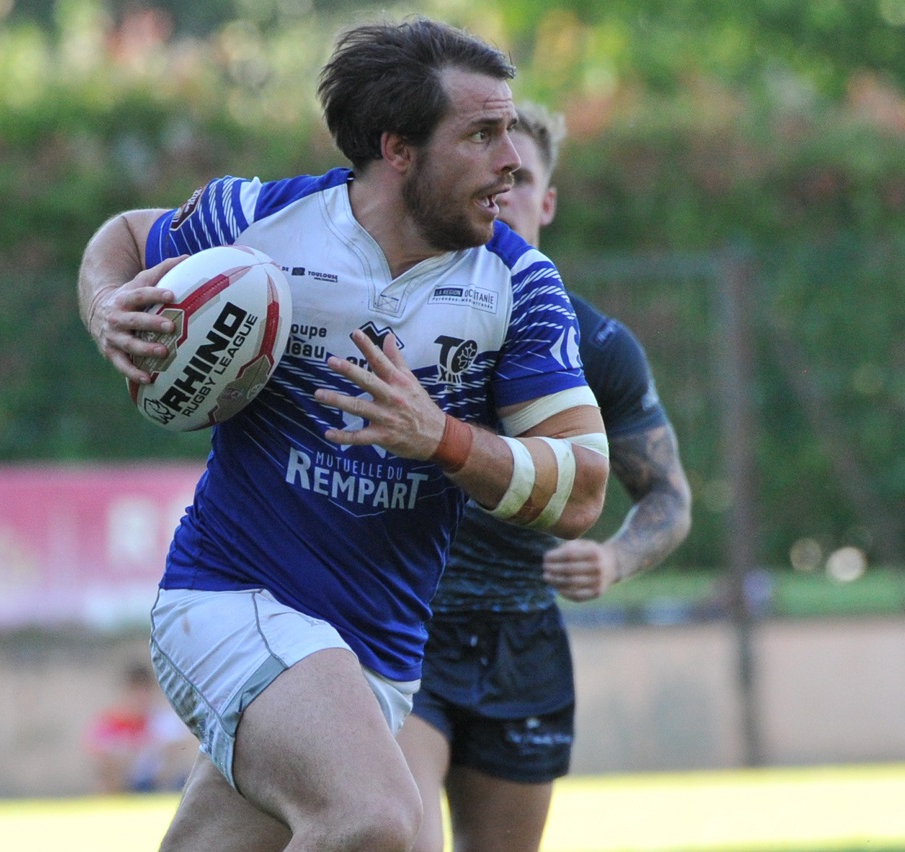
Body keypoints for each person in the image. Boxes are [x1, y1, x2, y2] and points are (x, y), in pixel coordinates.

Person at [77, 18, 610, 851]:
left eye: (510, 130)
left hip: (377, 660)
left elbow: (581, 489)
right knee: (374, 818)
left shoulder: (520, 286)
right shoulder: (264, 224)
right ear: (398, 149)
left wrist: (441, 438)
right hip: (232, 600)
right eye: (481, 134)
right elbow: (121, 238)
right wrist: (109, 308)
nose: (511, 159)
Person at [396, 103, 693, 852]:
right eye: (487, 174)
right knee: (396, 835)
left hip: (522, 640)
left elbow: (668, 496)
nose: (503, 191)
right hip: (402, 624)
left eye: (520, 178)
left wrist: (613, 559)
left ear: (548, 202)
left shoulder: (599, 345)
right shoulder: (401, 308)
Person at [85, 662, 194, 794]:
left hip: (158, 786)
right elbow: (101, 763)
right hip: (125, 788)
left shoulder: (163, 722)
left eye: (145, 691)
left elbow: (176, 757)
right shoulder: (109, 725)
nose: (140, 698)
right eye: (135, 691)